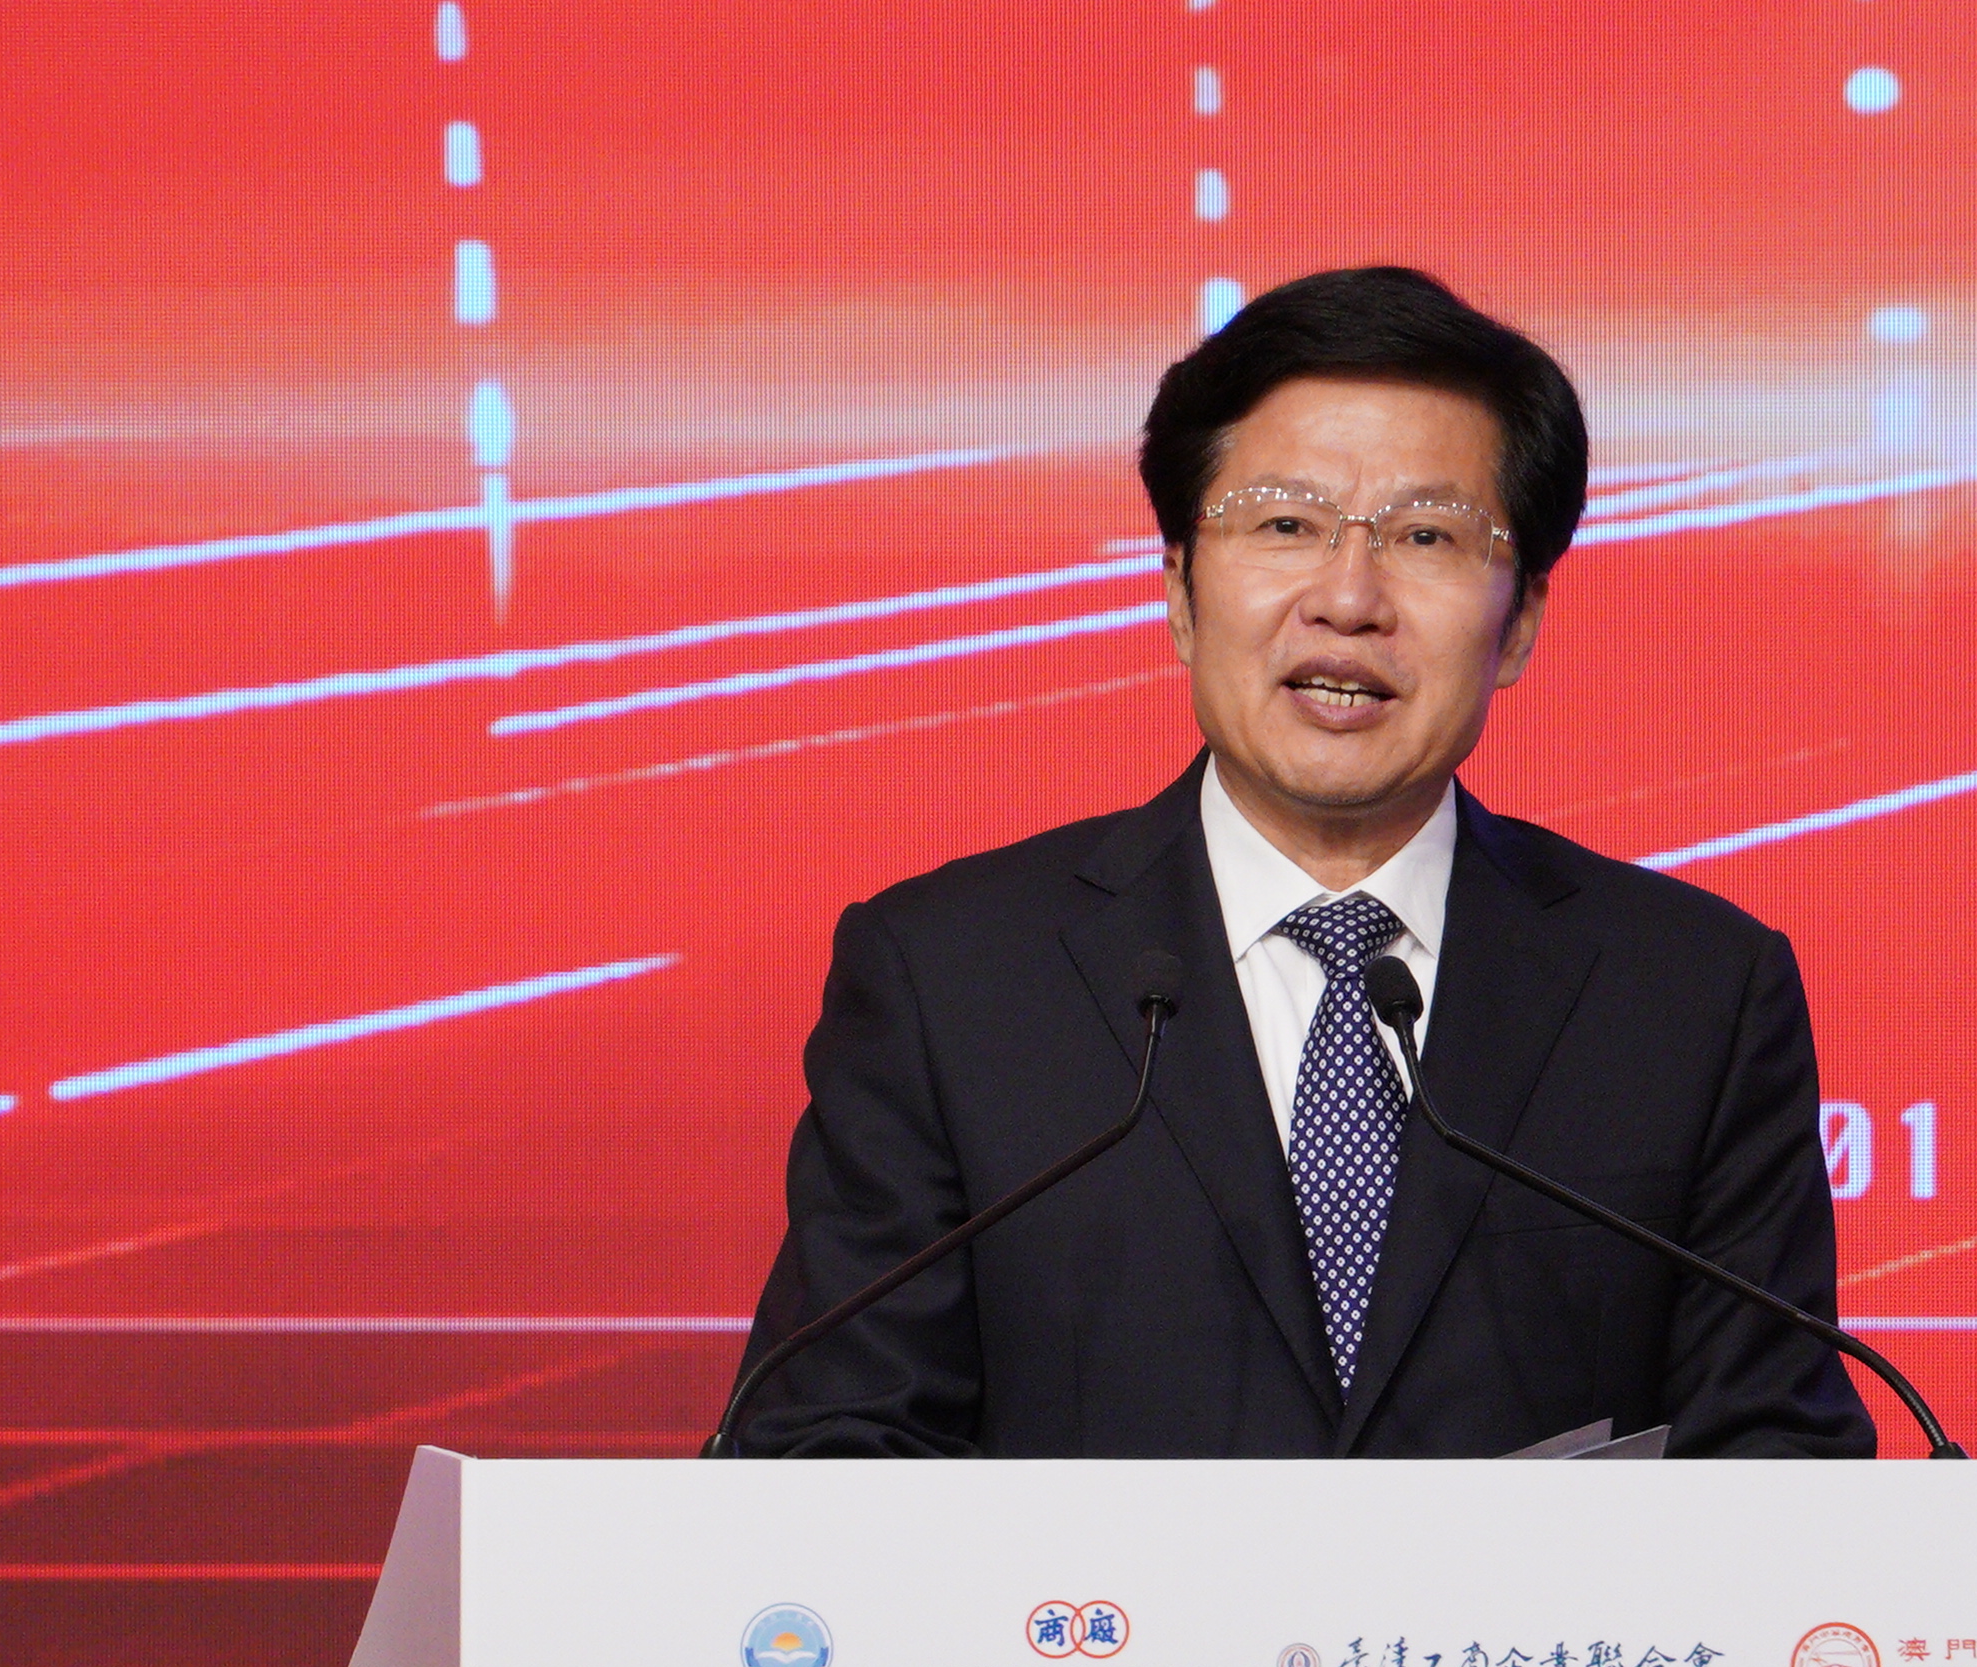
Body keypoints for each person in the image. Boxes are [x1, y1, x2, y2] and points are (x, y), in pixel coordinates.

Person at [729, 265, 1874, 1459]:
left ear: (1521, 621)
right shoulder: (950, 977)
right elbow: (832, 1445)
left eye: (1427, 536)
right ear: (1180, 589)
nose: (1348, 598)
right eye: (1284, 524)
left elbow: (1774, 1457)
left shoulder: (1692, 994)